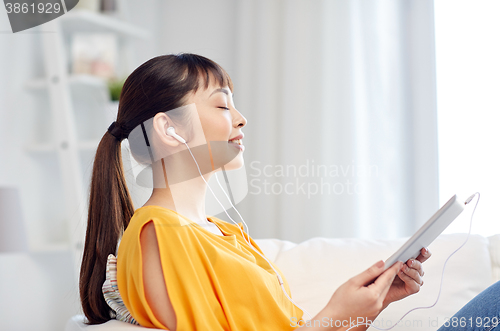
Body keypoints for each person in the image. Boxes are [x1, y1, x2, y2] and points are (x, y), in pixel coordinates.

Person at [79, 53, 500, 331]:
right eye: (223, 106)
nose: (241, 119)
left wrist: (367, 307)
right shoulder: (160, 234)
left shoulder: (224, 235)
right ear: (169, 129)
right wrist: (339, 314)